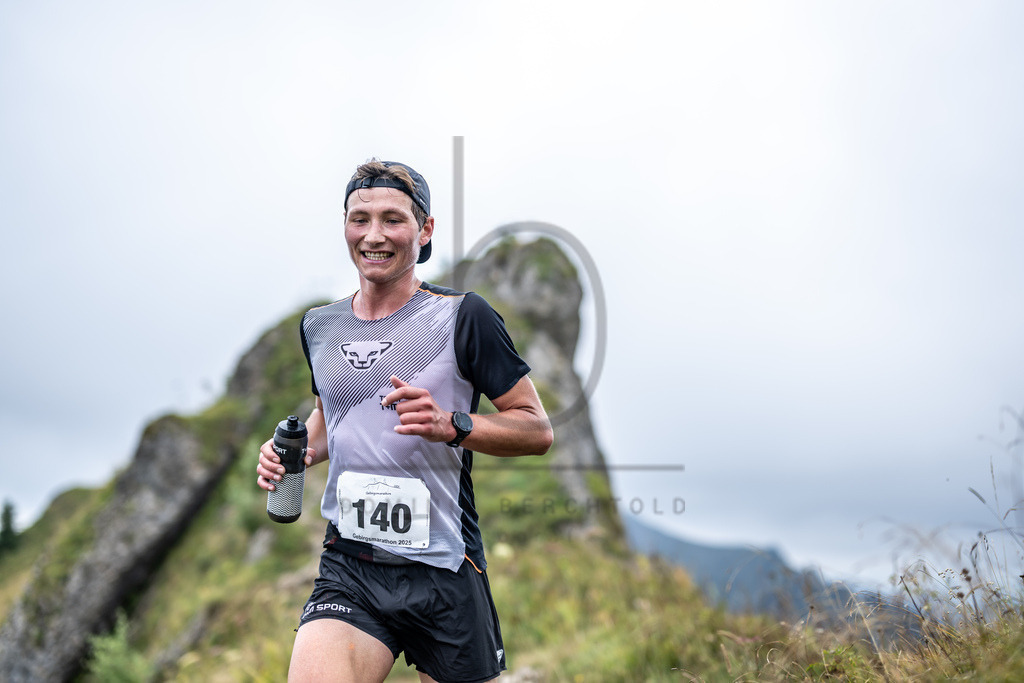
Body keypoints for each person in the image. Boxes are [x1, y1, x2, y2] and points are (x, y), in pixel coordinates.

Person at [256, 159, 553, 682]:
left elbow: (535, 429)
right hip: (351, 565)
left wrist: (453, 425)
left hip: (444, 568)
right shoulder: (320, 327)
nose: (374, 235)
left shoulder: (464, 317)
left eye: (393, 219)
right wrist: (297, 452)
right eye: (359, 218)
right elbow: (332, 413)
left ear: (425, 229)